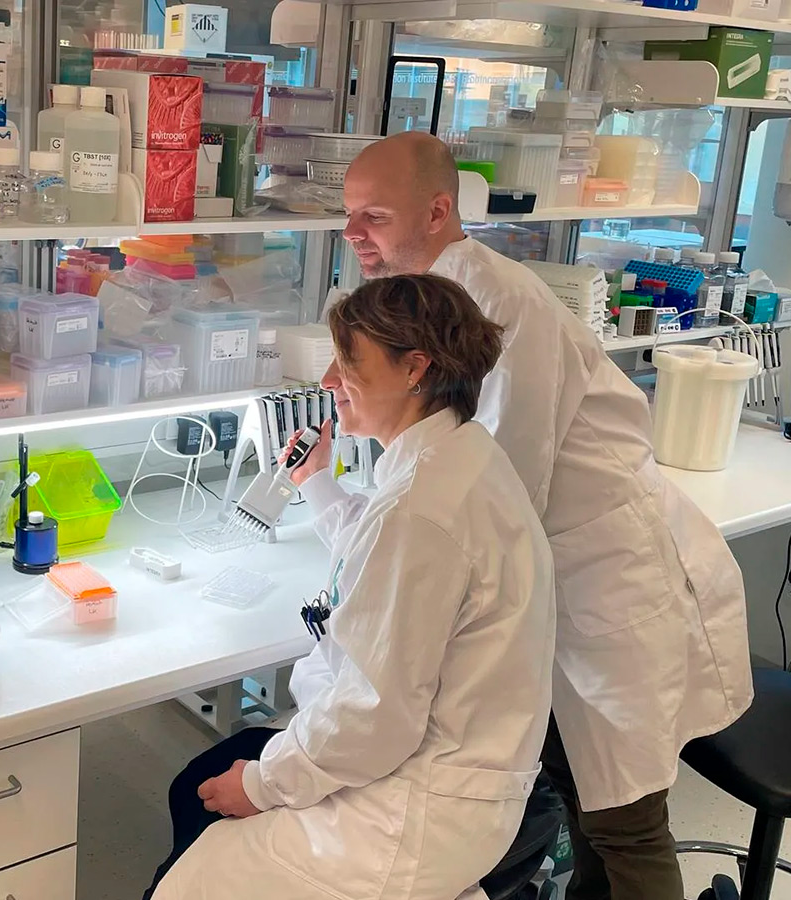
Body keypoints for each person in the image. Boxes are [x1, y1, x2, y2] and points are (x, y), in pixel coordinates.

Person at [339, 131, 753, 900]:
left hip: (607, 585)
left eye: (374, 217)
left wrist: (409, 569)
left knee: (624, 820)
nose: (353, 234)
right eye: (349, 215)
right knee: (576, 789)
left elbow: (503, 485)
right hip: (555, 585)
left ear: (436, 212)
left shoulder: (503, 304)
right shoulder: (421, 307)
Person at [148, 274, 557, 900]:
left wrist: (260, 785)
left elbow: (374, 716)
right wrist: (316, 480)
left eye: (348, 362)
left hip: (412, 808)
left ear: (414, 368)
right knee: (196, 789)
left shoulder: (419, 509)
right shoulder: (460, 456)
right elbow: (385, 558)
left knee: (193, 871)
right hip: (457, 773)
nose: (329, 380)